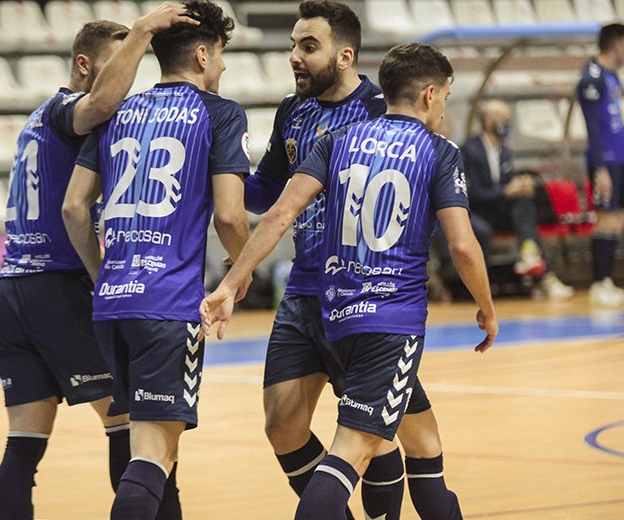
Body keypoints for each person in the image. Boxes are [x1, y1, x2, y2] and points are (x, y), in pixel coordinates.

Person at [201, 42, 498, 520]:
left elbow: (278, 214)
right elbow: (463, 246)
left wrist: (232, 281)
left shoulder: (337, 141)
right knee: (349, 455)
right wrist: (486, 306)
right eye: (445, 95)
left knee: (423, 443)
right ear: (427, 95)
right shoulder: (439, 151)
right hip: (390, 322)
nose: (444, 106)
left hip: (335, 316)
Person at [244, 0, 463, 520]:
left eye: (308, 46)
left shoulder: (379, 109)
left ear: (345, 57)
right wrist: (218, 176)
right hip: (303, 291)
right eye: (294, 44)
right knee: (283, 426)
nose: (294, 55)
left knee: (376, 438)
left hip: (363, 294)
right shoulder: (292, 111)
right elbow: (268, 196)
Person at [0, 4, 198, 520]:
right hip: (56, 288)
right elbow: (100, 108)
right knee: (136, 429)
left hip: (12, 289)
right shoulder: (68, 112)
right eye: (118, 64)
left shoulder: (37, 118)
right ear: (84, 66)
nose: (126, 83)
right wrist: (147, 28)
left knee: (23, 446)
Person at [62, 0, 250, 520]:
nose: (223, 67)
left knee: (152, 453)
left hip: (112, 306)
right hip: (169, 305)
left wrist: (103, 276)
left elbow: (74, 207)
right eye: (219, 56)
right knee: (153, 456)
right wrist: (241, 273)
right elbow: (231, 217)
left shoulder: (115, 111)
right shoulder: (220, 113)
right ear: (201, 57)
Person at [459, 99, 573, 300]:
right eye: (502, 119)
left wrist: (520, 186)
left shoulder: (505, 151)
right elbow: (472, 193)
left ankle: (530, 257)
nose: (507, 124)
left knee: (524, 202)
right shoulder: (470, 150)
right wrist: (506, 191)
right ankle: (542, 273)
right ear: (487, 122)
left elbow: (506, 183)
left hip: (501, 210)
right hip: (479, 212)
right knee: (520, 212)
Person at [577, 23, 624, 306]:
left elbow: (619, 123)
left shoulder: (612, 76)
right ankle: (599, 282)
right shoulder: (591, 78)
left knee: (618, 219)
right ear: (616, 44)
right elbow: (594, 127)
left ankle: (607, 280)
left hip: (619, 158)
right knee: (606, 218)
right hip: (603, 160)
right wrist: (600, 168)